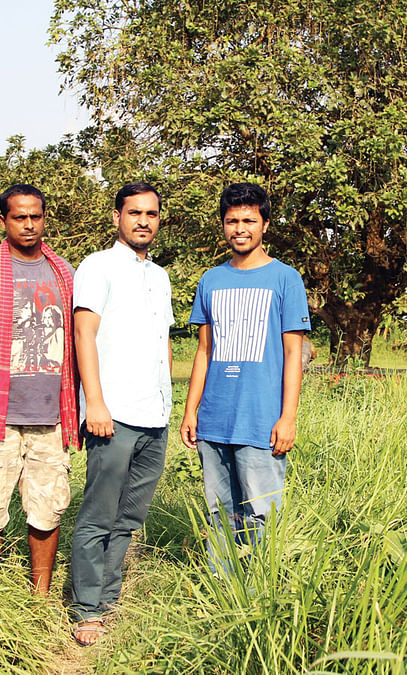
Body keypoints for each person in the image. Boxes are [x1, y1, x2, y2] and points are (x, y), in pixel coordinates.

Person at [0, 183, 79, 597]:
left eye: (35, 216)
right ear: (4, 220)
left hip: (51, 416)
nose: (28, 225)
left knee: (47, 510)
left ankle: (39, 597)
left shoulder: (65, 273)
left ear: (45, 218)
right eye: (19, 217)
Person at [180, 182, 309, 571]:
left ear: (265, 224)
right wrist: (190, 411)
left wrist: (288, 417)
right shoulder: (211, 280)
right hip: (215, 419)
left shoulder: (285, 279)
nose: (240, 228)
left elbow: (293, 354)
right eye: (232, 220)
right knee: (219, 515)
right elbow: (204, 352)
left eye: (249, 220)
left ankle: (259, 596)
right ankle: (223, 591)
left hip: (261, 422)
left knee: (262, 515)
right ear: (223, 225)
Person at [70, 182, 172, 646]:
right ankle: (87, 607)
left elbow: (162, 343)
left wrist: (172, 405)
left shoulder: (160, 276)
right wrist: (95, 402)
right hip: (113, 414)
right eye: (134, 213)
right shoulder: (98, 267)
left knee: (129, 519)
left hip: (155, 415)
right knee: (98, 516)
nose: (143, 221)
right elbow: (83, 335)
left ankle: (108, 600)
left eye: (151, 213)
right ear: (117, 217)